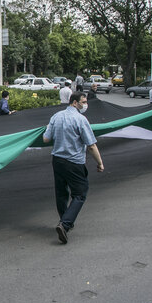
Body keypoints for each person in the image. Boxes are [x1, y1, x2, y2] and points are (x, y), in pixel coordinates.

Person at [43, 92, 104, 244]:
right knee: (80, 194)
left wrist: (47, 129)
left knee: (61, 192)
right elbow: (91, 145)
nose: (85, 105)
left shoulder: (56, 117)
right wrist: (100, 163)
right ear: (75, 103)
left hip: (57, 161)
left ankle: (64, 219)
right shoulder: (80, 119)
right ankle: (65, 224)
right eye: (83, 102)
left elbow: (46, 139)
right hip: (74, 162)